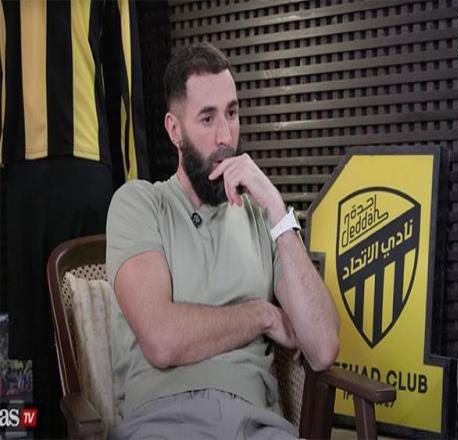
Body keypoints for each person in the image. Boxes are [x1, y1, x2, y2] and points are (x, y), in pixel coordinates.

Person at [106, 42, 339, 439]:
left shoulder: (261, 219)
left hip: (256, 424)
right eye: (207, 118)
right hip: (165, 421)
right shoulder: (140, 204)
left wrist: (276, 209)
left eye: (232, 113)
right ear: (174, 130)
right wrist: (263, 315)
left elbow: (322, 347)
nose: (225, 136)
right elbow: (162, 340)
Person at [0, 1, 149, 438]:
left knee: (86, 336)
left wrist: (138, 196)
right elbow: (127, 79)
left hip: (76, 172)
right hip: (29, 175)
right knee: (28, 345)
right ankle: (27, 429)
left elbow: (127, 76)